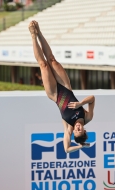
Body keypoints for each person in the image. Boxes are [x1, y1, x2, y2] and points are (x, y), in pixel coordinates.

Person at [28, 20, 95, 153]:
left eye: (76, 131)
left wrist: (81, 146)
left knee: (44, 65)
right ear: (84, 129)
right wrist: (80, 103)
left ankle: (33, 36)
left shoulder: (68, 128)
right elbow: (92, 98)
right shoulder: (87, 117)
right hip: (66, 86)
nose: (77, 128)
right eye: (79, 130)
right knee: (52, 59)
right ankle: (39, 32)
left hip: (54, 94)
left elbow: (66, 149)